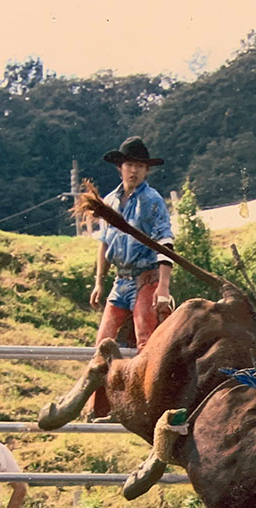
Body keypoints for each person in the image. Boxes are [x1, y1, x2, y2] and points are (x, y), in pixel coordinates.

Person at [87, 136, 175, 419]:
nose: (133, 171)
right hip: (120, 280)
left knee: (146, 344)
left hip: (145, 278)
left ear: (146, 170)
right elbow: (104, 244)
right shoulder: (110, 201)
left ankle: (145, 408)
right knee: (104, 343)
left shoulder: (152, 200)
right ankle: (100, 407)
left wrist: (163, 286)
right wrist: (99, 281)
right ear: (120, 168)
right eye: (129, 165)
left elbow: (165, 241)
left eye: (139, 166)